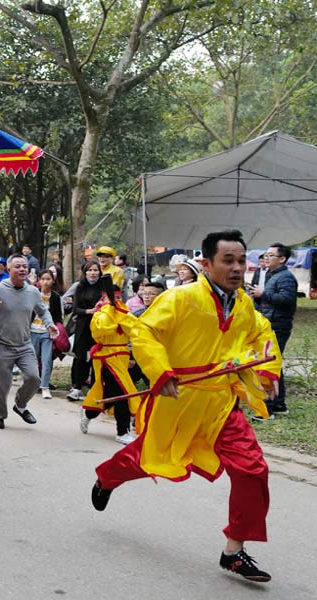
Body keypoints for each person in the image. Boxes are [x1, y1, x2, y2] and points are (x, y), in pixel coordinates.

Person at [91, 229, 282, 584]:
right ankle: (107, 477)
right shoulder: (181, 298)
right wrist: (161, 373)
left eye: (242, 260)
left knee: (253, 470)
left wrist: (267, 369)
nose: (238, 268)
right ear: (206, 264)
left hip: (222, 403)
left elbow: (262, 335)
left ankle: (233, 552)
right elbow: (145, 332)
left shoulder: (244, 304)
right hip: (178, 398)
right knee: (148, 457)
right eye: (229, 260)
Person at [0, 254, 57, 429]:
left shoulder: (32, 291)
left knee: (33, 378)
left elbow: (43, 311)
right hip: (1, 344)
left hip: (24, 344)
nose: (22, 269)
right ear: (9, 270)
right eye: (18, 266)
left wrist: (50, 324)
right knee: (3, 385)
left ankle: (20, 405)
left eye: (24, 266)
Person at [79, 276, 139, 444]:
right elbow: (101, 330)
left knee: (110, 394)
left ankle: (89, 413)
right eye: (113, 297)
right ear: (103, 297)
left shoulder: (124, 313)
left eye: (119, 297)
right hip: (106, 358)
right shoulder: (99, 314)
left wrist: (118, 311)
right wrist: (108, 310)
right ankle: (122, 432)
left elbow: (135, 330)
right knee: (121, 394)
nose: (116, 300)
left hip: (121, 358)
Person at [251, 242, 297, 418]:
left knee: (268, 363)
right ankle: (278, 404)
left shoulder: (285, 277)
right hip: (269, 324)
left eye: (271, 255)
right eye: (266, 255)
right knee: (274, 363)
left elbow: (287, 299)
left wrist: (264, 294)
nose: (266, 258)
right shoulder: (272, 274)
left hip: (278, 325)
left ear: (282, 259)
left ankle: (267, 409)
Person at [66, 261, 104, 401]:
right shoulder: (80, 287)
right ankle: (76, 387)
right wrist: (88, 311)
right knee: (80, 357)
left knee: (96, 357)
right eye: (90, 270)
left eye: (96, 270)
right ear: (85, 272)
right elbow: (75, 309)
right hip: (82, 326)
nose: (93, 273)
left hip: (99, 326)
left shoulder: (103, 287)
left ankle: (95, 388)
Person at [30, 269, 62, 399]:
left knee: (47, 360)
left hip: (47, 333)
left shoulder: (55, 297)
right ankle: (32, 384)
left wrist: (56, 327)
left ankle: (45, 387)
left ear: (53, 280)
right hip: (32, 331)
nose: (45, 282)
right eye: (43, 279)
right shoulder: (33, 294)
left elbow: (59, 316)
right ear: (39, 280)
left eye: (48, 279)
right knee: (32, 360)